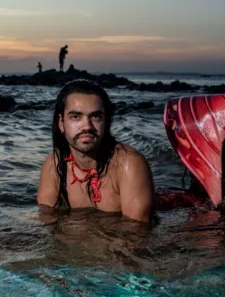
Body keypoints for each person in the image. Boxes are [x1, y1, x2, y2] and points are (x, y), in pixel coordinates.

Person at [37, 79, 155, 223]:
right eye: (76, 117)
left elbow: (136, 235)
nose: (87, 126)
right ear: (61, 123)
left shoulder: (128, 164)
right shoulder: (54, 164)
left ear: (106, 121)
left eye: (96, 116)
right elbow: (45, 218)